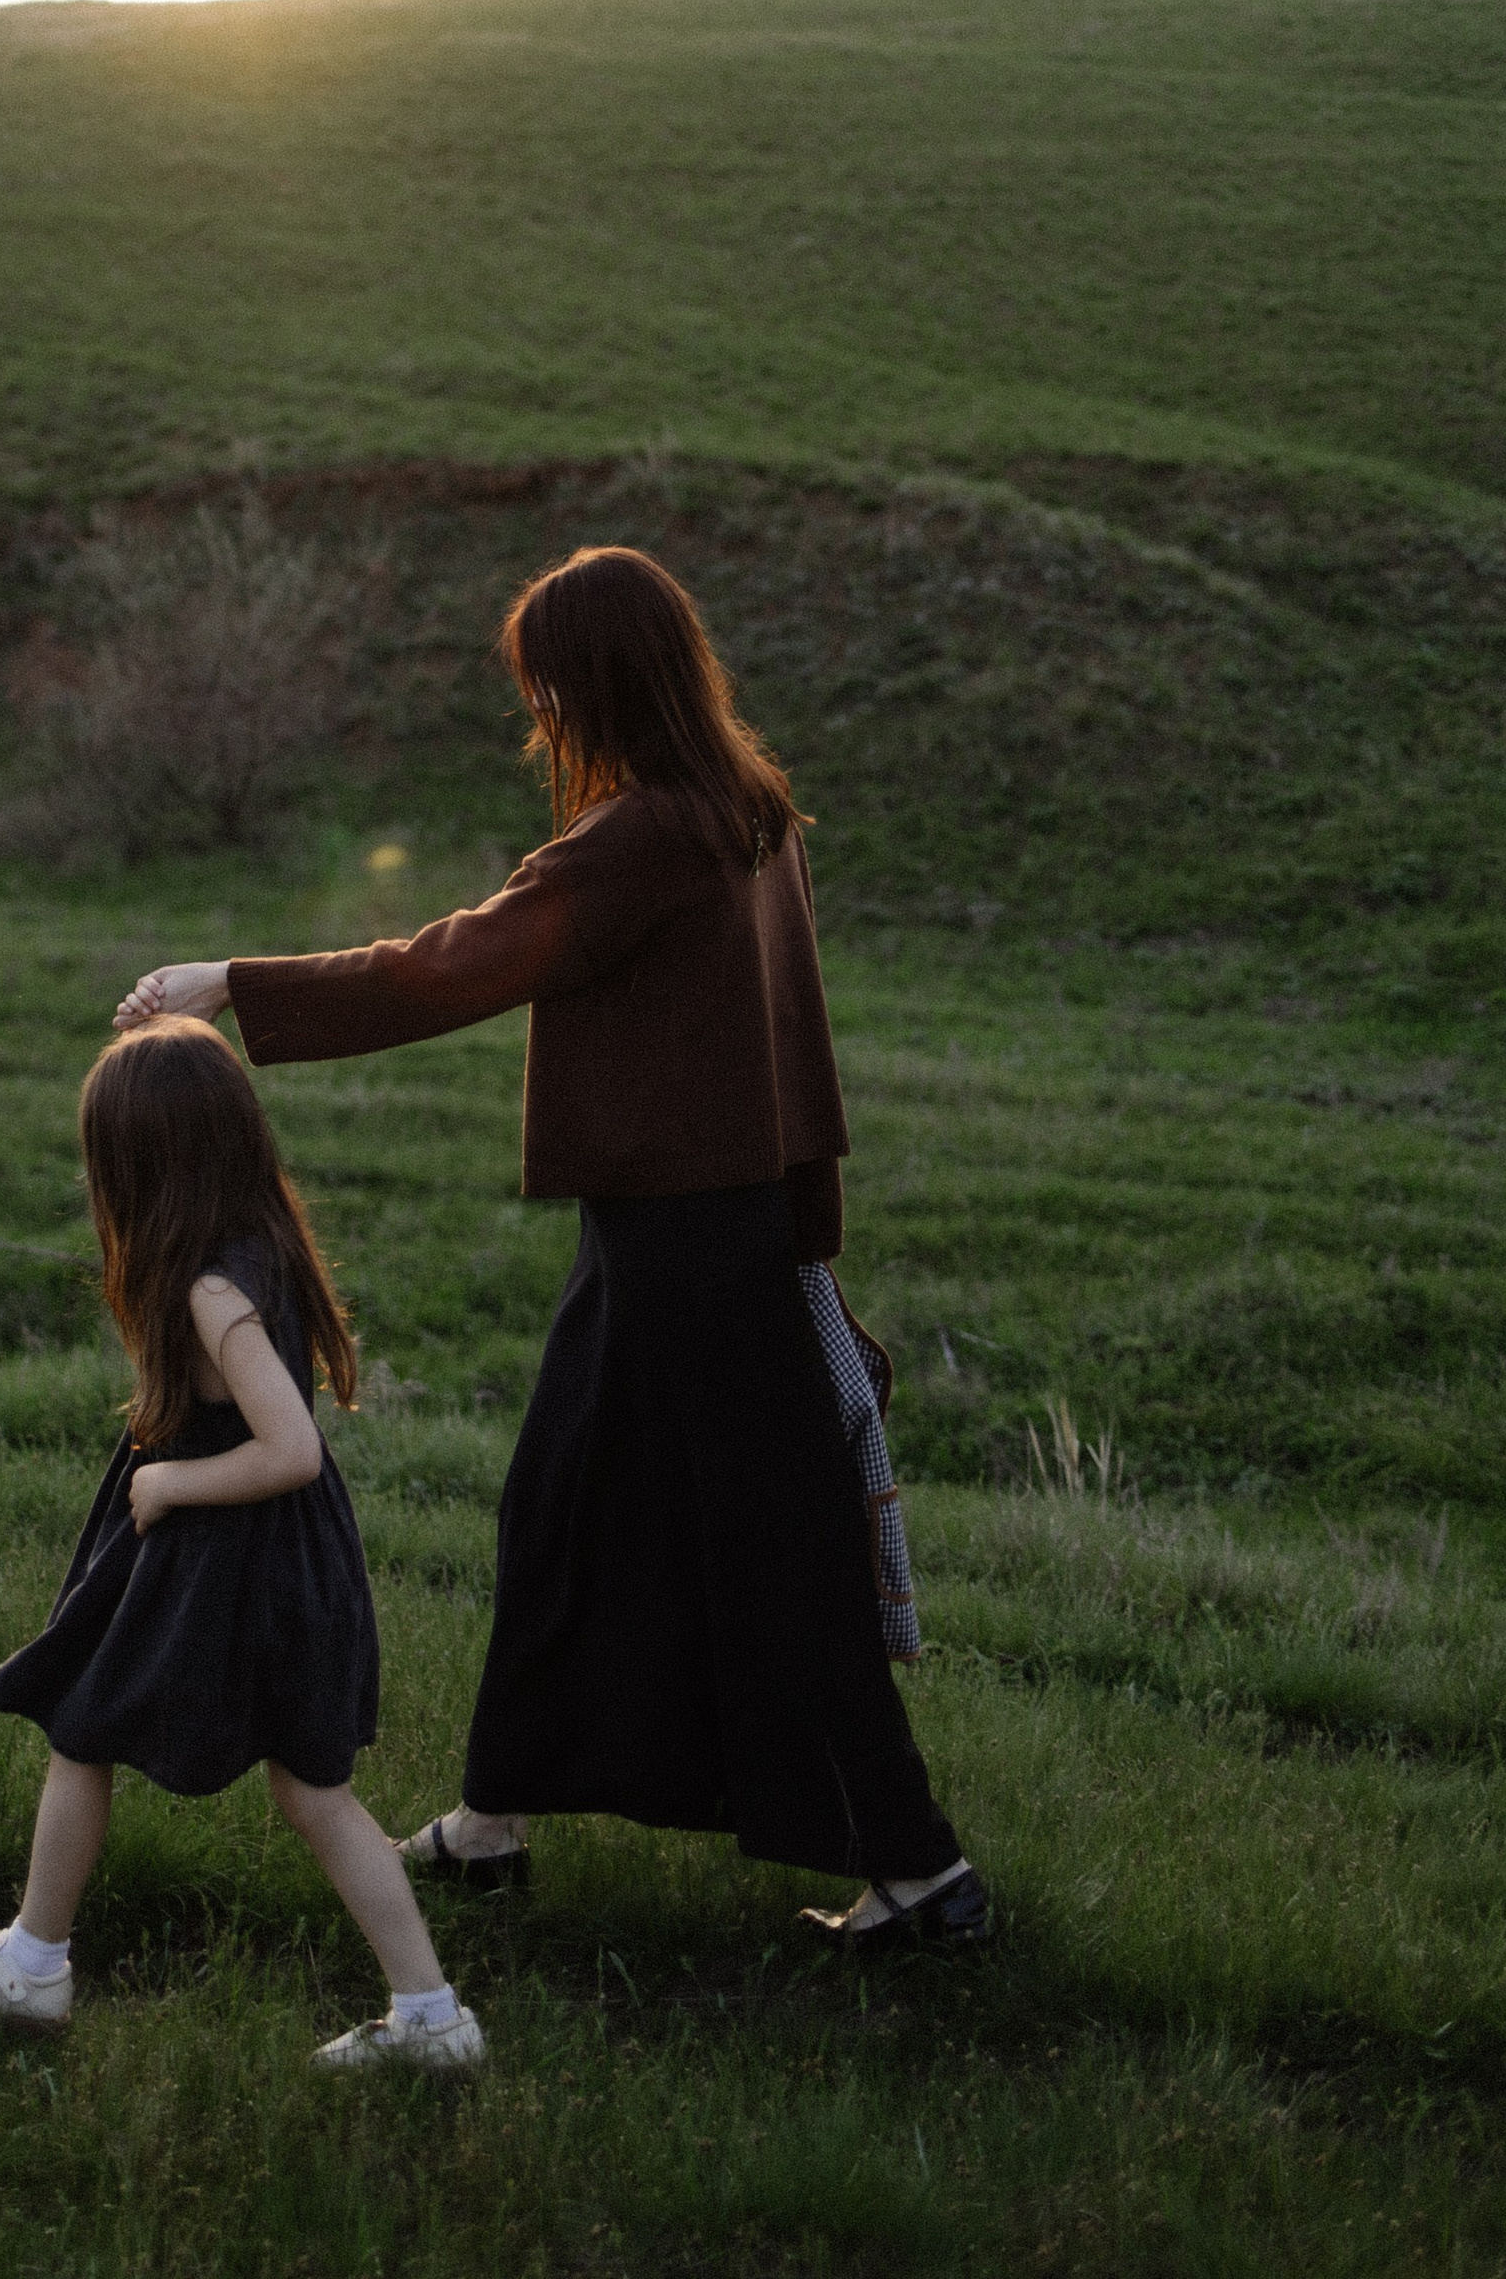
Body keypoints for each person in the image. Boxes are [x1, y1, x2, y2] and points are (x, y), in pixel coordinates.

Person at [116, 542, 989, 1955]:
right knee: (562, 1512)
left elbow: (450, 963)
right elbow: (793, 1045)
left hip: (689, 1250)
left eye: (547, 690)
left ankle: (922, 1878)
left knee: (770, 1563)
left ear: (596, 686)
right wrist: (801, 1232)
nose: (541, 721)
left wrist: (234, 985)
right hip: (693, 1232)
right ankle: (495, 1817)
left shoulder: (646, 837)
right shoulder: (742, 808)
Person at [0, 1016, 488, 2070]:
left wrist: (169, 1481)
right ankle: (432, 2019)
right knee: (307, 1787)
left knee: (87, 1724)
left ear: (143, 1168)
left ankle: (33, 1965)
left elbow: (291, 1447)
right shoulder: (257, 1243)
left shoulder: (214, 1288)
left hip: (232, 1554)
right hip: (270, 1558)